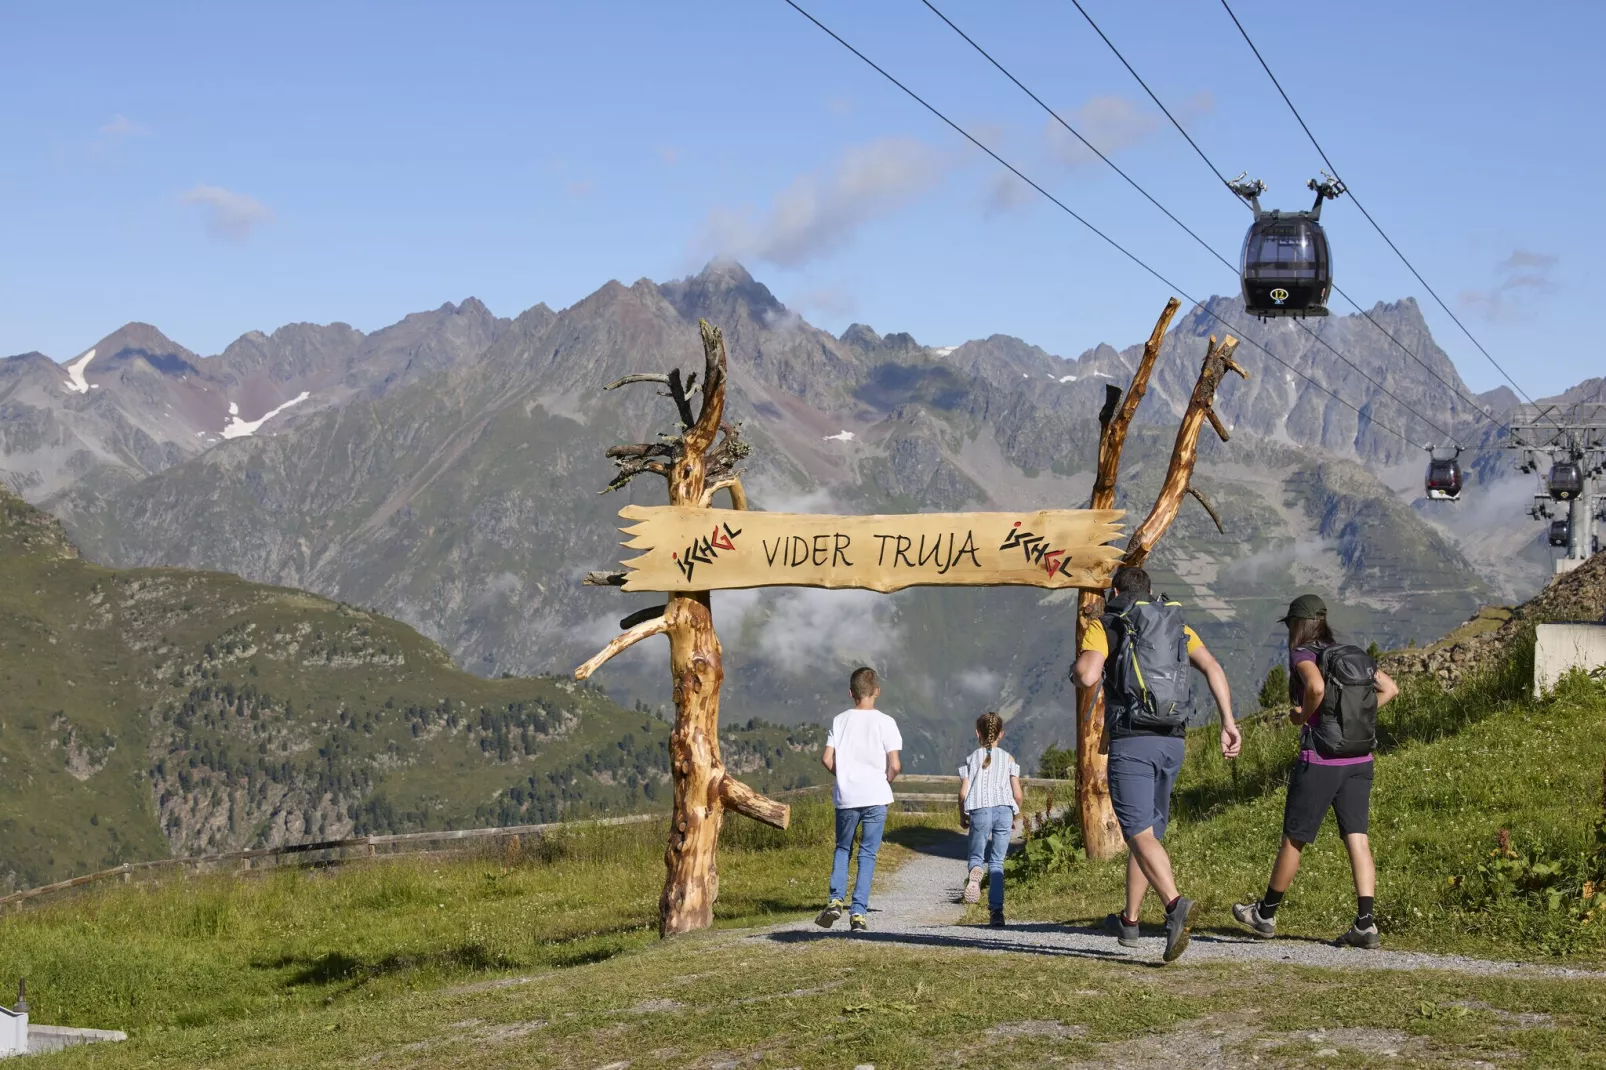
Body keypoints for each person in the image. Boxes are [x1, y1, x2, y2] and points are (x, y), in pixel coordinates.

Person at [1073, 565, 1241, 962]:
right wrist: (1228, 723)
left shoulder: (1110, 621)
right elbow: (1213, 668)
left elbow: (1088, 674)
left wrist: (1077, 669)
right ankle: (1129, 921)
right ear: (1151, 590)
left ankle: (1174, 904)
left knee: (1137, 833)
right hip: (1173, 742)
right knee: (1147, 832)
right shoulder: (1173, 621)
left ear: (1115, 590)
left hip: (1133, 741)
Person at [1233, 595, 1398, 949]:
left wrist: (1304, 715)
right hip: (1359, 759)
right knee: (1357, 837)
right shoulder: (1343, 652)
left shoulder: (1304, 654)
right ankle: (1365, 924)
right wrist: (1357, 717)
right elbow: (1390, 688)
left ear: (1297, 624)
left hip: (1321, 759)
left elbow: (1316, 687)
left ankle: (1265, 914)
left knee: (1296, 836)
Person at [816, 666, 903, 933]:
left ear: (851, 693)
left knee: (843, 848)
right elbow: (895, 765)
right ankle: (858, 914)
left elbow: (826, 759)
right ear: (877, 691)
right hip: (876, 795)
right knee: (868, 854)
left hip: (847, 796)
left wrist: (843, 777)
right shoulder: (886, 722)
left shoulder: (840, 720)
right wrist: (884, 779)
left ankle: (834, 899)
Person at [957, 711, 1024, 928]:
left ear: (978, 733)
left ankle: (975, 875)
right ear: (1001, 734)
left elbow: (962, 794)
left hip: (980, 809)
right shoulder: (1009, 759)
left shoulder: (972, 759)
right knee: (997, 863)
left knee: (977, 855)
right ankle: (996, 913)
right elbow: (1018, 794)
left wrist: (962, 815)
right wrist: (1014, 814)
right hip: (1004, 809)